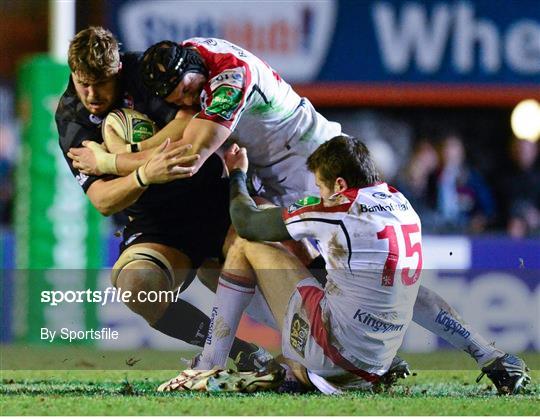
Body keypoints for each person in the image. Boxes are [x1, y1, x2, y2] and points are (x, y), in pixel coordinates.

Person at [160, 137, 530, 395]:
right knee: (401, 285)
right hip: (375, 362)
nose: (320, 193)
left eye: (321, 186)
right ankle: (491, 356)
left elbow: (247, 223)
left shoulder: (338, 206)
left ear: (338, 184)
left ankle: (208, 362)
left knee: (244, 245)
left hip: (333, 355)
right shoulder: (401, 203)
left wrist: (238, 174)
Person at [55, 26, 273, 369]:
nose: (92, 93)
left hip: (212, 199)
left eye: (102, 82)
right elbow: (103, 199)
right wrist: (145, 174)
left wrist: (121, 158)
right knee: (136, 286)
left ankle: (324, 345)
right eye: (84, 82)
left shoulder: (145, 73)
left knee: (270, 256)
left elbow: (187, 136)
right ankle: (236, 351)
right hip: (157, 223)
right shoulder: (72, 117)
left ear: (118, 70)